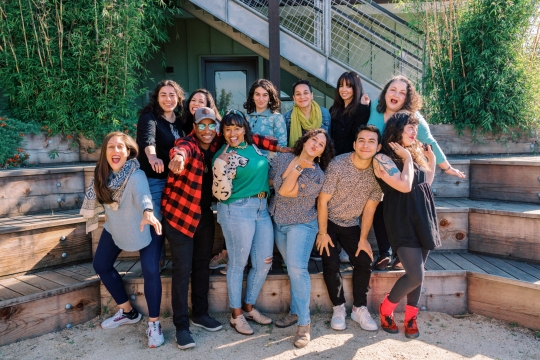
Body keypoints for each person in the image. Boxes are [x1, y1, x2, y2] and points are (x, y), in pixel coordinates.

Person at [163, 107, 286, 349]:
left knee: (204, 266)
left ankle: (202, 314)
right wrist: (177, 157)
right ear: (195, 127)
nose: (209, 130)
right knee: (182, 270)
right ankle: (182, 327)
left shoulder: (222, 139)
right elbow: (182, 149)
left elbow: (250, 136)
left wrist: (281, 147)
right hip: (181, 214)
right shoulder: (191, 144)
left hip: (209, 213)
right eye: (202, 125)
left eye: (212, 125)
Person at [367, 75, 465, 271]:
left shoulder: (412, 117)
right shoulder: (375, 108)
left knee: (401, 203)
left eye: (402, 92)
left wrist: (446, 167)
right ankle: (385, 252)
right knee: (378, 203)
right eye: (393, 89)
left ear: (407, 98)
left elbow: (430, 140)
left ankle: (401, 255)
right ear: (386, 92)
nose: (396, 94)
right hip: (379, 164)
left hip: (403, 163)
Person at [81, 132, 164, 348]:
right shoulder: (101, 175)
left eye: (121, 147)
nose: (116, 151)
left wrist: (148, 211)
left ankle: (154, 324)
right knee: (100, 264)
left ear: (128, 152)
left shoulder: (136, 176)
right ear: (105, 152)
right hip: (117, 226)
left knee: (150, 270)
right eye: (111, 147)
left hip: (146, 224)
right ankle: (127, 311)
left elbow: (144, 195)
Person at [372, 111, 441, 339]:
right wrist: (409, 159)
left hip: (424, 216)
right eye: (409, 127)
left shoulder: (414, 152)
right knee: (416, 275)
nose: (414, 131)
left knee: (418, 270)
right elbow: (404, 186)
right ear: (396, 130)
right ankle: (386, 309)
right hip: (401, 219)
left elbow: (425, 185)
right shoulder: (382, 158)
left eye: (415, 127)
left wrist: (429, 160)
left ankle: (411, 317)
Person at [269, 128, 335, 348]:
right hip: (279, 222)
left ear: (321, 153)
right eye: (313, 139)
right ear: (305, 141)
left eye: (321, 144)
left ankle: (304, 325)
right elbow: (272, 183)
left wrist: (298, 167)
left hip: (302, 224)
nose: (316, 144)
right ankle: (296, 311)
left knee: (297, 269)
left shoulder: (317, 175)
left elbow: (286, 191)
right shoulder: (284, 158)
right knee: (291, 268)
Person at [212, 110, 276, 336]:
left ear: (244, 129)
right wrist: (219, 166)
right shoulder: (223, 155)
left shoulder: (254, 148)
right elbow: (219, 191)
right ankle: (236, 315)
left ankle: (249, 307)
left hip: (262, 208)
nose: (232, 133)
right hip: (236, 209)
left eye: (237, 128)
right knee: (238, 264)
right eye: (227, 129)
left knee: (264, 262)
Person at [316, 125, 383, 332]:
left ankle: (359, 308)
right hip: (329, 221)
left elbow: (370, 210)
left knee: (364, 260)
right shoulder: (338, 164)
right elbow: (322, 202)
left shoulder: (378, 172)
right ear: (354, 144)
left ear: (378, 147)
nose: (366, 145)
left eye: (371, 141)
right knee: (331, 260)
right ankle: (338, 308)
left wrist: (363, 238)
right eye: (361, 140)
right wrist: (323, 232)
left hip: (351, 223)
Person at [136, 79, 185, 241]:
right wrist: (152, 157)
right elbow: (148, 139)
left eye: (172, 95)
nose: (168, 99)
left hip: (176, 180)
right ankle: (155, 259)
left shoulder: (179, 121)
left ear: (178, 98)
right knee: (156, 218)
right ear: (157, 98)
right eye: (163, 95)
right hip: (155, 178)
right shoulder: (149, 118)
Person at [329, 71, 371, 156]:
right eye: (341, 86)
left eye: (348, 86)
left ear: (356, 88)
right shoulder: (333, 109)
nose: (343, 90)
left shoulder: (362, 107)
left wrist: (363, 107)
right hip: (333, 157)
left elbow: (358, 132)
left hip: (351, 158)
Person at [244, 79, 288, 158]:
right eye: (257, 94)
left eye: (265, 95)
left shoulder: (277, 118)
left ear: (270, 97)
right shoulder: (246, 117)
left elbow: (282, 147)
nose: (261, 99)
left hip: (269, 165)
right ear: (252, 96)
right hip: (247, 163)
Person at [284, 79, 331, 146]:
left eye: (305, 93)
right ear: (294, 98)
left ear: (312, 95)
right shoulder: (287, 117)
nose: (302, 97)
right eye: (298, 94)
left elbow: (329, 141)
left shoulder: (324, 113)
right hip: (297, 155)